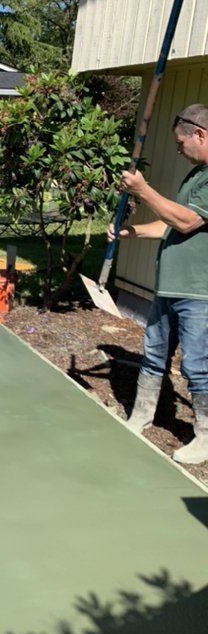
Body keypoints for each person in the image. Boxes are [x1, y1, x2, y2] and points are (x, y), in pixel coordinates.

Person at [109, 103, 208, 465]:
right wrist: (130, 231)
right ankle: (142, 415)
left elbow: (185, 222)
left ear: (200, 133)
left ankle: (204, 436)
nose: (179, 150)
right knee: (153, 357)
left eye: (181, 143)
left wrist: (142, 189)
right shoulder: (195, 176)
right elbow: (169, 226)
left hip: (200, 293)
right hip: (169, 288)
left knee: (197, 366)